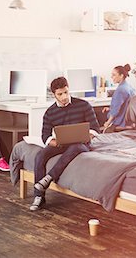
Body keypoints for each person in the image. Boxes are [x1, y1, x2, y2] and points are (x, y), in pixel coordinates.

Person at [30, 77, 100, 211]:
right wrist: (53, 142)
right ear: (53, 95)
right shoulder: (50, 112)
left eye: (66, 92)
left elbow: (96, 128)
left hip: (81, 144)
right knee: (40, 155)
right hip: (61, 144)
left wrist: (87, 135)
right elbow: (45, 135)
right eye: (60, 94)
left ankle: (48, 178)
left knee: (75, 147)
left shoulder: (84, 105)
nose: (64, 97)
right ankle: (39, 197)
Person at [102, 64, 136, 129]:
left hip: (120, 121)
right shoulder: (129, 87)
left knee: (97, 115)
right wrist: (110, 108)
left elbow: (115, 111)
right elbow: (125, 106)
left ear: (121, 76)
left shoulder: (120, 90)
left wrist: (107, 123)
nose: (111, 77)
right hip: (127, 120)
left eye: (114, 75)